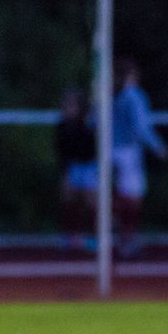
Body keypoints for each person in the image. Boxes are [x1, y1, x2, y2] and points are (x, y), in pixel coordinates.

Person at [111, 58, 168, 258]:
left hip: (110, 153)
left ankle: (119, 235)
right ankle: (125, 240)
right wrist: (158, 146)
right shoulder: (133, 96)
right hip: (127, 152)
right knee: (132, 199)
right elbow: (140, 127)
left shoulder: (109, 95)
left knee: (119, 197)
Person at [54, 89, 98, 251]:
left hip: (89, 166)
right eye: (65, 105)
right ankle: (71, 236)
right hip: (72, 166)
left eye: (71, 105)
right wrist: (65, 172)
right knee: (68, 199)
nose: (67, 108)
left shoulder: (87, 124)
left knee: (91, 201)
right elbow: (61, 151)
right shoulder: (62, 126)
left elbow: (93, 148)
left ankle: (93, 237)